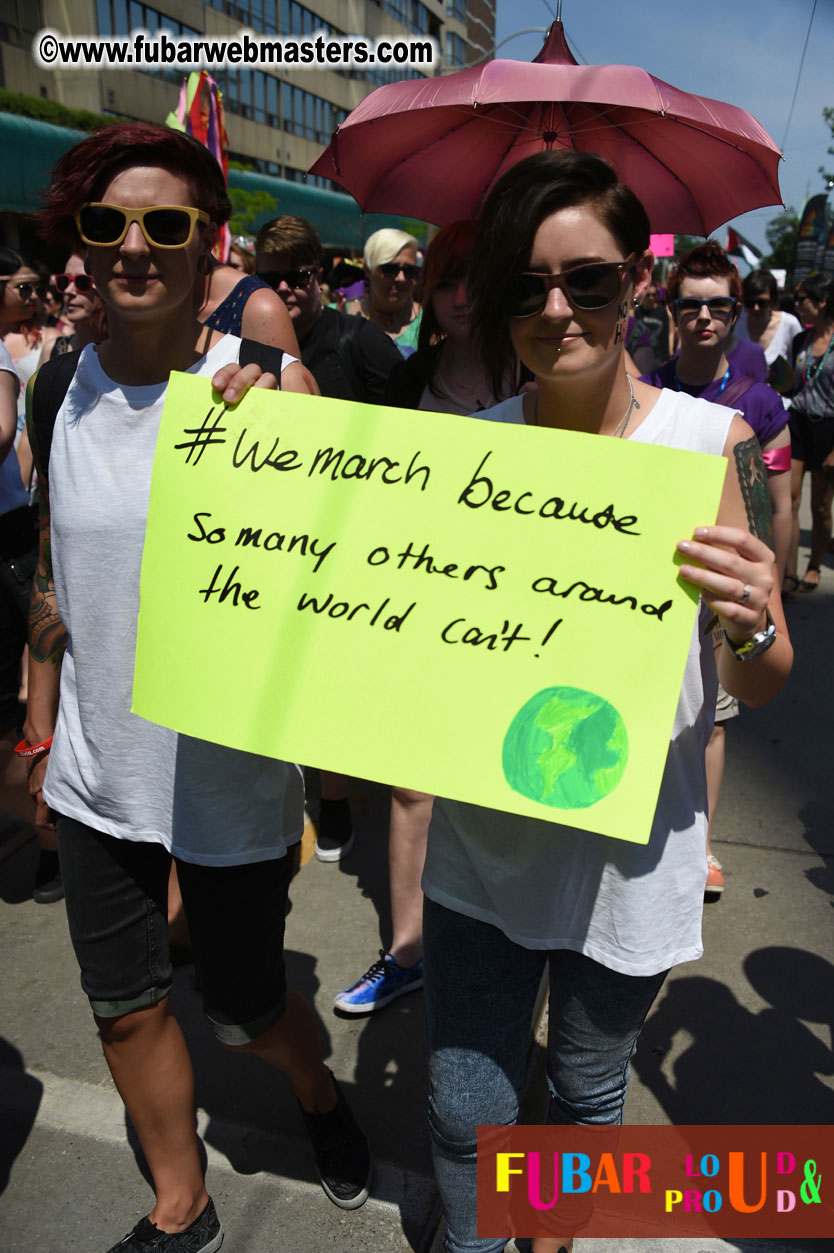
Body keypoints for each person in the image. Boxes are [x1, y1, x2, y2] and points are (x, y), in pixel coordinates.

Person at [420, 151, 791, 1253]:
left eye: (586, 280)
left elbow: (762, 681)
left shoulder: (709, 445)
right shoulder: (466, 448)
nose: (555, 307)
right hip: (481, 849)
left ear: (635, 284)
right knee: (463, 1106)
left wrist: (756, 617)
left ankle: (550, 1234)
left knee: (585, 1097)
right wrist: (243, 395)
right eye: (525, 282)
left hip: (630, 857)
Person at [23, 121, 371, 1253]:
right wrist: (39, 732)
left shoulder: (265, 400)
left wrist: (293, 431)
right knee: (122, 1006)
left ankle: (317, 1092)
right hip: (94, 774)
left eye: (164, 223)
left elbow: (343, 578)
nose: (135, 244)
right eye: (108, 221)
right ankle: (183, 1200)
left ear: (204, 244)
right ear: (80, 240)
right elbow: (52, 573)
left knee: (245, 1009)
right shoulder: (56, 387)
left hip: (224, 784)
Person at [333, 219, 519, 1014]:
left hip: (523, 613)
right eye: (446, 280)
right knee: (413, 786)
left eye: (476, 279)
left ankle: (512, 946)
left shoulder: (544, 378)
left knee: (509, 782)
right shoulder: (408, 381)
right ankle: (408, 947)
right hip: (423, 608)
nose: (461, 295)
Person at [255, 214, 404, 863]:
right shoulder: (251, 348)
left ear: (320, 276)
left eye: (298, 277)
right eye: (273, 279)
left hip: (360, 536)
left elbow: (411, 438)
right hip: (283, 538)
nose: (286, 290)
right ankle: (322, 794)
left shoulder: (361, 343)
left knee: (339, 679)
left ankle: (339, 799)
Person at [644, 241, 791, 896]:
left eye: (719, 305)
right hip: (653, 577)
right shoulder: (649, 385)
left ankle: (700, 847)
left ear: (735, 313)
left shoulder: (756, 401)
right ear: (671, 310)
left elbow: (778, 506)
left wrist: (772, 590)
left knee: (714, 716)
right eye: (691, 304)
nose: (704, 317)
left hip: (721, 583)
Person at [786, 273, 834, 592]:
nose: (797, 306)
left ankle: (814, 565)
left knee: (820, 506)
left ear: (822, 302)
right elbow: (793, 382)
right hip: (797, 423)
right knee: (789, 498)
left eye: (802, 300)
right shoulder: (799, 341)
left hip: (828, 428)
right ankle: (789, 569)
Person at [346, 228, 422, 356]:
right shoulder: (342, 316)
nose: (401, 278)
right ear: (368, 270)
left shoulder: (429, 322)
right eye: (390, 269)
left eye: (409, 270)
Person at [736, 269, 802, 395]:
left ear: (773, 299)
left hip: (779, 402)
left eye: (762, 302)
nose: (756, 308)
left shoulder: (789, 323)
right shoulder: (737, 322)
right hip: (742, 399)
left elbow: (800, 365)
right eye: (750, 303)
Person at [39, 253, 107, 362]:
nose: (68, 291)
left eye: (82, 282)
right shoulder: (52, 350)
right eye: (64, 281)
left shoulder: (129, 349)